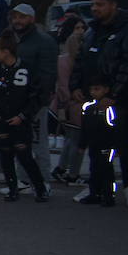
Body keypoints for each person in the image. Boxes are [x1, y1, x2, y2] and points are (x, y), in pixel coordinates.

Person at [69, 0, 128, 205]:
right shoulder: (91, 32)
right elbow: (80, 60)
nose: (95, 8)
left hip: (120, 101)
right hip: (94, 99)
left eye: (100, 4)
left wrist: (114, 94)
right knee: (96, 147)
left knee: (123, 146)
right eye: (93, 4)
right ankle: (96, 189)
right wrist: (75, 86)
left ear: (113, 5)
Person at [0, 35, 49, 203]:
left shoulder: (27, 70)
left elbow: (36, 97)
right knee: (6, 157)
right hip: (0, 122)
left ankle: (40, 189)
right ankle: (12, 189)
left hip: (20, 123)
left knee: (25, 156)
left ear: (7, 52)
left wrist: (23, 116)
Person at [8, 3, 59, 182]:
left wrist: (38, 100)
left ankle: (43, 181)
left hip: (35, 103)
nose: (17, 21)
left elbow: (48, 75)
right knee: (21, 144)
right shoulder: (15, 40)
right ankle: (23, 180)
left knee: (38, 144)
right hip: (17, 102)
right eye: (15, 17)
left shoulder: (44, 42)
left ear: (32, 18)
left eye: (22, 17)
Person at [54, 17, 88, 184]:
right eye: (77, 27)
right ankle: (72, 173)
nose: (80, 31)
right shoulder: (68, 60)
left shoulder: (64, 59)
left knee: (71, 140)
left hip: (70, 104)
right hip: (74, 104)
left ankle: (62, 169)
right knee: (77, 141)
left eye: (82, 27)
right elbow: (62, 84)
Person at [77, 77, 120, 206]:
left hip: (106, 145)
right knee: (94, 169)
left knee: (106, 170)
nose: (94, 92)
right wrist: (82, 144)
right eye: (92, 89)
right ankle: (94, 193)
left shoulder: (110, 108)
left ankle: (109, 196)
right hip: (93, 144)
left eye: (97, 89)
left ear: (106, 90)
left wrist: (115, 145)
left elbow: (115, 127)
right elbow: (84, 128)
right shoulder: (88, 107)